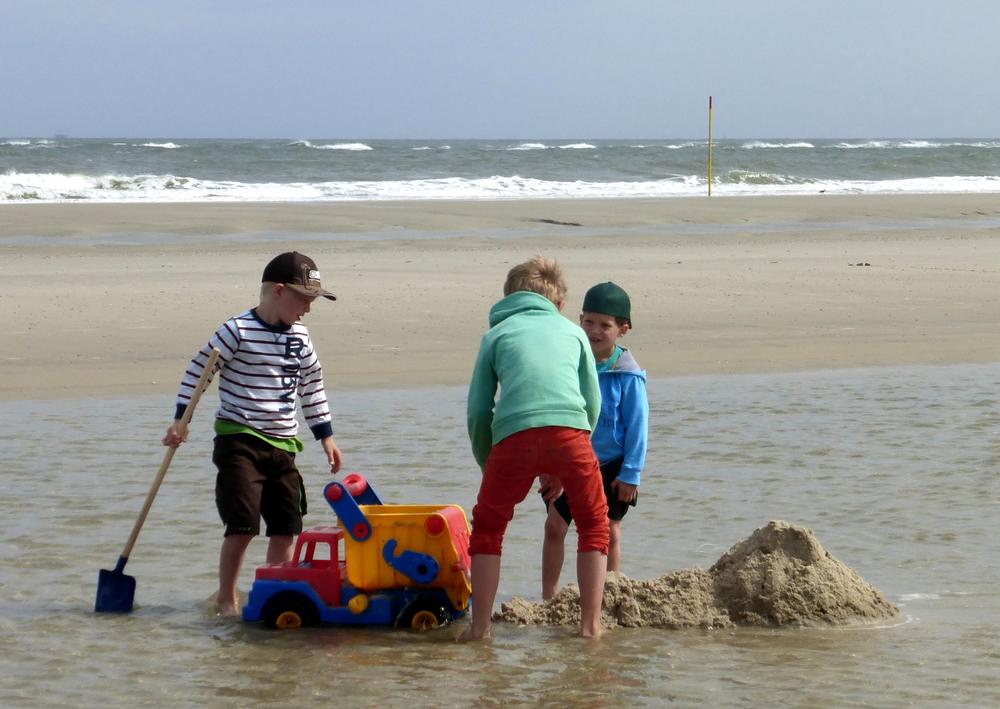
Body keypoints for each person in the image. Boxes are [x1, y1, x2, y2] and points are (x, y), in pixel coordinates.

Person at [162, 251, 344, 616]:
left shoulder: (301, 339)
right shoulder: (237, 330)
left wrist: (325, 436)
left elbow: (312, 388)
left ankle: (273, 592)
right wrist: (182, 419)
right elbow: (200, 373)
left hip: (283, 445)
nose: (307, 309)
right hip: (239, 440)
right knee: (242, 524)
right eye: (304, 300)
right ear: (279, 291)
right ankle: (226, 599)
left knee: (286, 526)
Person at [464, 256, 609, 640]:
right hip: (572, 433)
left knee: (488, 530)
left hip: (514, 436)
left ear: (508, 298)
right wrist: (568, 460)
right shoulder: (573, 333)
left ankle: (480, 630)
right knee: (594, 524)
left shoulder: (495, 335)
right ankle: (591, 628)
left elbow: (479, 410)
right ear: (559, 305)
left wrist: (489, 464)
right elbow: (591, 402)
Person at [542, 281, 648, 599]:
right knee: (554, 527)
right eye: (588, 322)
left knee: (609, 531)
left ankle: (610, 593)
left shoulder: (628, 374)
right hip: (570, 460)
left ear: (623, 329)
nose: (595, 331)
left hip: (611, 465)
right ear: (579, 319)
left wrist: (631, 473)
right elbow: (554, 411)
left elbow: (638, 428)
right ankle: (549, 597)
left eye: (605, 325)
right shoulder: (569, 362)